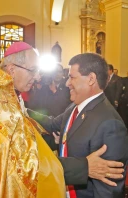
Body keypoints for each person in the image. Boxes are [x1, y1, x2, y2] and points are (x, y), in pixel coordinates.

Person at [0, 42, 66, 197]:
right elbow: (26, 163)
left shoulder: (8, 93)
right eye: (33, 70)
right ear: (12, 70)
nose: (37, 77)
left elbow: (26, 127)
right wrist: (83, 166)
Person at [28, 53, 128, 197]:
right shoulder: (74, 107)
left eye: (72, 77)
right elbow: (51, 123)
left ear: (91, 79)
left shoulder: (110, 124)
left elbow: (108, 190)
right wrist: (22, 110)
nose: (67, 83)